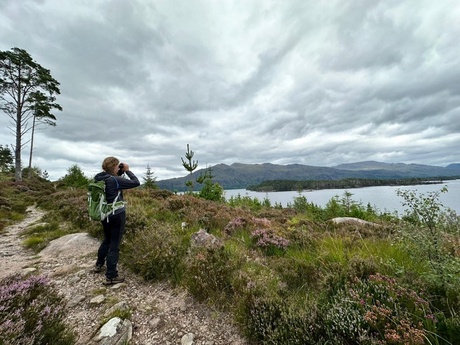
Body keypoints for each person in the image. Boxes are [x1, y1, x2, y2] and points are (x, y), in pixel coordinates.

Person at [91, 156, 140, 285]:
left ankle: (99, 265)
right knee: (114, 243)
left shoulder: (99, 178)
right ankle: (111, 276)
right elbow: (136, 182)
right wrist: (128, 171)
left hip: (104, 214)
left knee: (106, 239)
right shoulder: (114, 180)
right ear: (114, 166)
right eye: (118, 166)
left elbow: (112, 181)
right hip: (117, 214)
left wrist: (119, 172)